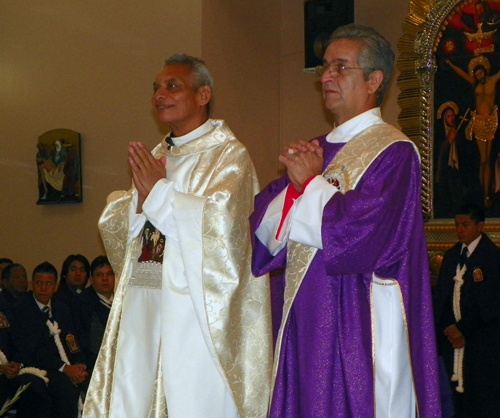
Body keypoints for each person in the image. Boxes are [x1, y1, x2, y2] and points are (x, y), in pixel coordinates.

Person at [250, 24, 440, 417]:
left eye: (340, 67)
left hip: (357, 316)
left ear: (374, 80)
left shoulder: (395, 152)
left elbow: (362, 235)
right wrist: (300, 185)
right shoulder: (314, 150)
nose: (325, 77)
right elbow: (265, 232)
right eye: (324, 67)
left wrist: (310, 183)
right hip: (305, 315)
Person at [83, 53, 272, 418]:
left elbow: (225, 228)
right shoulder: (158, 154)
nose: (159, 95)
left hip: (191, 302)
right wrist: (136, 202)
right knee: (134, 386)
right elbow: (132, 228)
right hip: (146, 289)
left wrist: (159, 192)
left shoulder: (229, 156)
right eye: (156, 88)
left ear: (203, 95)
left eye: (172, 86)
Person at [433, 203, 500, 417]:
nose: (460, 230)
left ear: (480, 226)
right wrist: (448, 329)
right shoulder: (452, 256)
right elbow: (441, 298)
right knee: (456, 400)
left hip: (481, 343)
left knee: (482, 397)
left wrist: (462, 329)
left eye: (465, 225)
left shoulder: (492, 257)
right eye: (456, 225)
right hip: (453, 342)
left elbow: (490, 303)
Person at [12, 262, 88, 418]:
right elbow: (30, 350)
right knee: (65, 390)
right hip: (37, 366)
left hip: (63, 365)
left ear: (56, 286)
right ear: (32, 285)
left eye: (48, 284)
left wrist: (79, 364)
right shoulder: (22, 309)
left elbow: (71, 340)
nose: (43, 288)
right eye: (39, 283)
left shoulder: (61, 308)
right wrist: (64, 368)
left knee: (93, 380)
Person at [445, 55, 500, 207]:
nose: (478, 75)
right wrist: (451, 64)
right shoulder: (474, 83)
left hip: (491, 122)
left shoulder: (493, 80)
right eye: (476, 74)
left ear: (484, 71)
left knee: (488, 160)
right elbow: (462, 74)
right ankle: (484, 194)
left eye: (480, 72)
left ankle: (487, 194)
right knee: (483, 160)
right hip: (479, 123)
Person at [78, 255, 115, 372]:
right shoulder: (82, 302)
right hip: (96, 364)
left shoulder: (124, 299)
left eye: (109, 274)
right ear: (91, 279)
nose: (105, 279)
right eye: (99, 275)